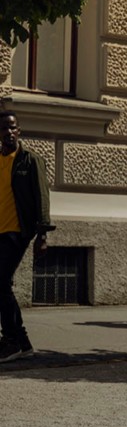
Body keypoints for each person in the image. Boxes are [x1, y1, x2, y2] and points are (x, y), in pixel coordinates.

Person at [0, 111, 53, 363]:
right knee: (2, 285)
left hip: (17, 232)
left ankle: (11, 341)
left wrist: (42, 234)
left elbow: (42, 197)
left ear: (19, 130)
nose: (9, 132)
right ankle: (21, 342)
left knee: (0, 284)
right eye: (4, 129)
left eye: (12, 128)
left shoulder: (30, 160)